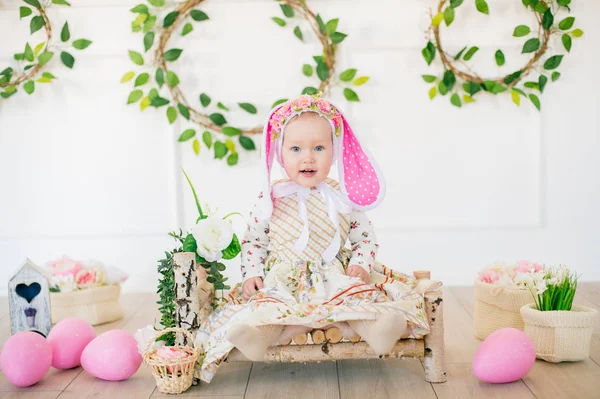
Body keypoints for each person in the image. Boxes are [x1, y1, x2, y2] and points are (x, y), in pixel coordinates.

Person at [196, 94, 433, 383]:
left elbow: (365, 239)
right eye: (296, 148)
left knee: (355, 300)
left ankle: (378, 329)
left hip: (333, 274)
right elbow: (254, 242)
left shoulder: (343, 196)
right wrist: (253, 274)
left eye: (319, 147)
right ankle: (256, 336)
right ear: (279, 153)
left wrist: (360, 264)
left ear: (334, 153)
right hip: (284, 279)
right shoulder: (271, 198)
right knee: (268, 306)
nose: (308, 157)